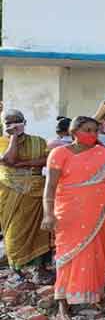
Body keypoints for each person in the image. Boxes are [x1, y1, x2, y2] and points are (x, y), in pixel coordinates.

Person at [42, 117, 105, 317]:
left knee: (96, 252)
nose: (92, 134)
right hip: (68, 212)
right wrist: (48, 214)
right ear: (74, 132)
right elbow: (50, 188)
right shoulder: (59, 153)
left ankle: (91, 297)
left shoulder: (104, 153)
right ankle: (63, 300)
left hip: (98, 213)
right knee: (66, 254)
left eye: (95, 131)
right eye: (87, 130)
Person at [0, 109, 50, 275]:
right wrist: (13, 137)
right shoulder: (1, 142)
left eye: (18, 121)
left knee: (39, 231)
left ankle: (40, 267)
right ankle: (17, 270)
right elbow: (9, 160)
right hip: (11, 193)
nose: (14, 124)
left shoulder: (38, 141)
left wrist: (24, 164)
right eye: (8, 122)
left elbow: (47, 160)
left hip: (36, 192)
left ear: (25, 122)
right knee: (14, 231)